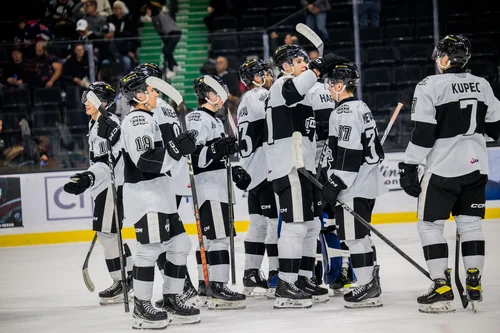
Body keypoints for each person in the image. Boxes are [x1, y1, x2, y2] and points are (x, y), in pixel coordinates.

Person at [398, 35, 500, 313]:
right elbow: (495, 129)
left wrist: (408, 165)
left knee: (430, 226)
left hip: (443, 168)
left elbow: (423, 134)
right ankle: (474, 281)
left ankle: (441, 286)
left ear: (444, 58)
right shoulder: (482, 84)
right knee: (471, 226)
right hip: (476, 166)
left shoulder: (429, 85)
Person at [119, 70, 198, 329]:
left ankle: (172, 297)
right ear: (140, 95)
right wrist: (176, 149)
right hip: (145, 194)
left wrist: (177, 147)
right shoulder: (138, 120)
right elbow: (144, 160)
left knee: (180, 244)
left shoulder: (148, 117)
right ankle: (142, 305)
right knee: (150, 248)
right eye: (152, 90)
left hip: (159, 192)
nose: (156, 94)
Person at [264, 44, 338, 308]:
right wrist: (318, 67)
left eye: (306, 61)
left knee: (312, 226)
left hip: (304, 167)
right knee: (295, 227)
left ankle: (303, 278)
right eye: (299, 61)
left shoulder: (303, 93)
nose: (304, 64)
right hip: (289, 166)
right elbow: (295, 89)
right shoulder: (282, 85)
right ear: (285, 66)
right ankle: (286, 283)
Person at [321, 58, 387, 308]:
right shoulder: (361, 107)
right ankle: (370, 281)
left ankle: (367, 285)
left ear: (340, 85)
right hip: (365, 183)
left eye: (331, 83)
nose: (328, 87)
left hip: (353, 186)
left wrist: (336, 183)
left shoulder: (344, 112)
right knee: (361, 237)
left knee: (356, 238)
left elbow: (349, 153)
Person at [62, 82, 134, 305]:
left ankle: (121, 281)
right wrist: (90, 179)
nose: (86, 102)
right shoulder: (96, 123)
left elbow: (109, 162)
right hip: (103, 187)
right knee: (111, 234)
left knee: (108, 235)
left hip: (110, 187)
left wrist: (88, 178)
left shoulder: (109, 123)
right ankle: (129, 276)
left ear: (103, 102)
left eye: (90, 98)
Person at [187, 75, 248, 309]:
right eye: (220, 91)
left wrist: (232, 166)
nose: (223, 95)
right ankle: (219, 285)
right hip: (209, 188)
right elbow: (195, 157)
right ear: (210, 95)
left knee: (212, 238)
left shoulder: (213, 120)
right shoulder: (199, 117)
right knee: (218, 238)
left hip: (217, 186)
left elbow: (212, 155)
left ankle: (206, 284)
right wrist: (217, 148)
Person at [237, 59, 279, 297]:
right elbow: (275, 116)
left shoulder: (245, 100)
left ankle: (251, 274)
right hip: (265, 170)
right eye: (265, 73)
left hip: (252, 170)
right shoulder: (260, 96)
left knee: (258, 224)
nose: (269, 76)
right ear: (256, 78)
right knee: (273, 224)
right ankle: (274, 277)